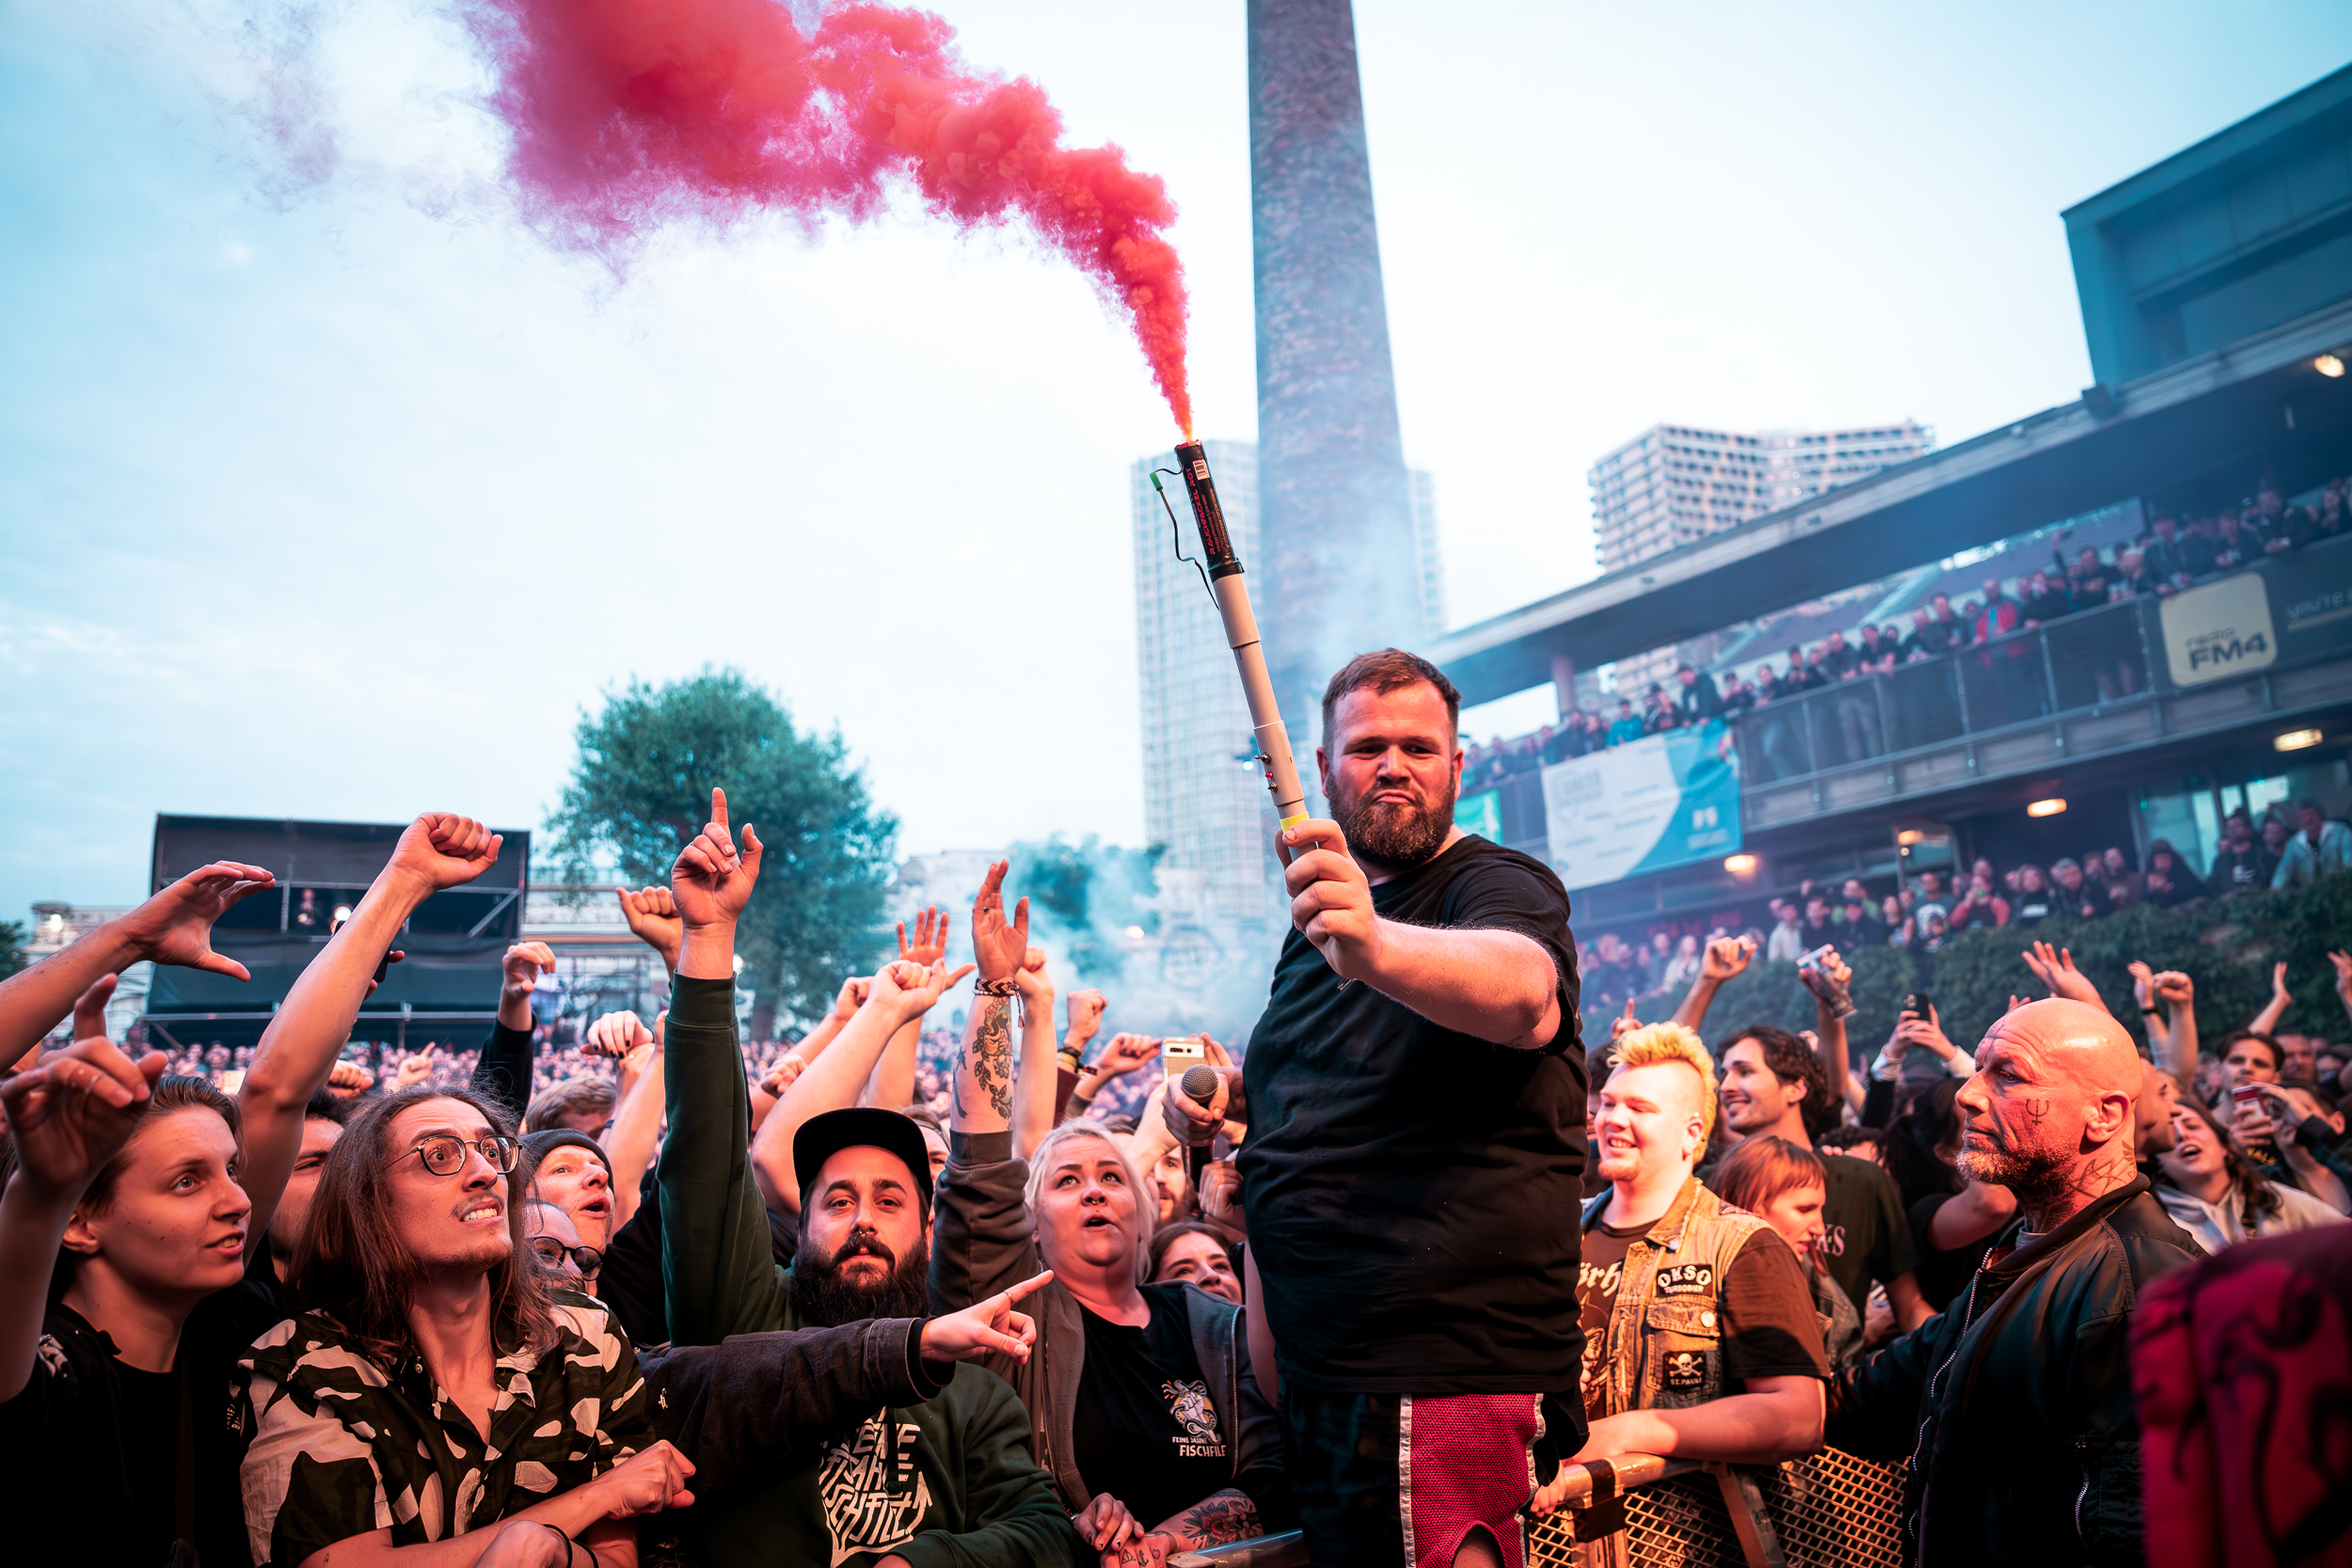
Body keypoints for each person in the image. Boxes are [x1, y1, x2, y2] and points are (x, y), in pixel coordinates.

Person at [1172, 649, 1584, 1568]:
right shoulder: (1310, 931)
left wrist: (1371, 944)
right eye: (1365, 746)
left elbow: (1523, 989)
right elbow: (1310, 1111)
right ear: (1322, 769)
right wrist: (1227, 1125)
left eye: (1417, 746)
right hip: (1332, 1382)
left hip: (1429, 1371)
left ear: (1456, 767)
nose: (1392, 763)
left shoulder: (1497, 886)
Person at [0, 821, 502, 1568]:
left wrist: (404, 881)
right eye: (185, 1181)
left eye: (232, 1170)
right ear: (79, 1221)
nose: (238, 1201)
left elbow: (275, 1088)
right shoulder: (43, 1369)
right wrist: (42, 1188)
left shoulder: (233, 1329)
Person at [652, 789, 1082, 1568]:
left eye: (890, 1201)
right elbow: (708, 1157)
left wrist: (924, 1563)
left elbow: (1045, 1528)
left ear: (928, 1230)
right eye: (837, 1199)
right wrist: (709, 937)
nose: (862, 1219)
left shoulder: (968, 1384)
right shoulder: (739, 1328)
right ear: (798, 1221)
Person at [1824, 999, 2203, 1565]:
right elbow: (1862, 1400)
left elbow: (2137, 1536)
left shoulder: (2137, 1282)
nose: (1967, 1093)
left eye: (2007, 1075)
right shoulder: (2023, 1259)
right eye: (1978, 1069)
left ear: (2103, 1115)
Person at [1526, 1023, 1825, 1544]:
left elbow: (1798, 1416)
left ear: (1692, 1132)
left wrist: (1631, 1431)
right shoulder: (1554, 1233)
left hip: (1683, 1544)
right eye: (1610, 1104)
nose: (1613, 1120)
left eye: (1640, 1109)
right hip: (1558, 1542)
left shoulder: (1743, 1243)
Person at [1713, 1011, 1932, 1337]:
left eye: (1744, 1071)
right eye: (1724, 1074)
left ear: (1795, 1088)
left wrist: (1954, 1352)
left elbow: (1910, 1305)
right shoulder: (1707, 1182)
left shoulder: (1861, 1180)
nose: (1727, 1086)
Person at [1711, 1135, 1865, 1370]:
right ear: (1749, 1204)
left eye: (1820, 1209)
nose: (1819, 1229)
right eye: (1804, 1209)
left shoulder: (1829, 1305)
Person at [2151, 1097, 2344, 1252]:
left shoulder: (2277, 1199)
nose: (2182, 1135)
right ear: (2158, 1163)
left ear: (2225, 1146)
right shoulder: (2158, 1226)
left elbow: (2344, 1238)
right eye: (2168, 1132)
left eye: (2192, 1126)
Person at [2272, 799, 2352, 888]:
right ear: (2298, 822)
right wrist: (2275, 890)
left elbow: (2349, 864)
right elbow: (2284, 869)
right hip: (2311, 894)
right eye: (2302, 816)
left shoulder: (2341, 834)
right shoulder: (2294, 844)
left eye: (2311, 814)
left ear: (2320, 815)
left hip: (2341, 889)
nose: (2308, 819)